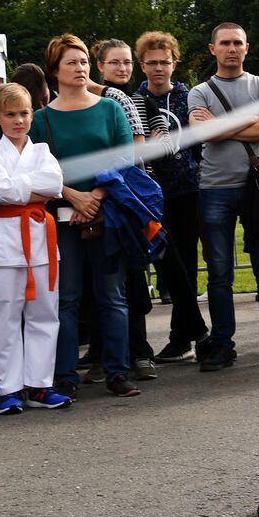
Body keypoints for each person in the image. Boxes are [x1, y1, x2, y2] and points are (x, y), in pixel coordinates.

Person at [29, 34, 138, 399]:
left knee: (112, 296)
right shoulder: (41, 119)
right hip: (62, 219)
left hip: (107, 215)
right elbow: (37, 168)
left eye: (83, 62)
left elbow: (124, 158)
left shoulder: (109, 108)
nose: (81, 68)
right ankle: (64, 375)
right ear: (55, 71)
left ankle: (118, 372)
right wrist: (72, 195)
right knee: (67, 297)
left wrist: (95, 196)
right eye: (72, 63)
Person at [188, 21, 259, 371]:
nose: (232, 49)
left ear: (247, 48)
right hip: (214, 189)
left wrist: (221, 124)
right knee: (219, 274)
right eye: (225, 43)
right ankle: (222, 344)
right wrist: (241, 124)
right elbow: (202, 132)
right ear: (212, 49)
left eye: (238, 43)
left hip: (257, 188)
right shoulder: (199, 91)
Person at [0, 83, 72, 415]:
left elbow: (54, 185)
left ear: (33, 114)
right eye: (11, 114)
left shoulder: (42, 152)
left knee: (45, 313)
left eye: (24, 113)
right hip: (8, 240)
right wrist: (33, 188)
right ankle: (9, 389)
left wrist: (19, 189)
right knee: (7, 315)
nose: (18, 121)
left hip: (42, 238)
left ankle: (40, 386)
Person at [135, 30, 211, 363]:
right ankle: (192, 330)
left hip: (187, 189)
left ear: (174, 62)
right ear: (142, 65)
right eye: (151, 63)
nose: (158, 68)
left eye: (164, 62)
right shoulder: (131, 100)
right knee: (165, 265)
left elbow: (199, 140)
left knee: (186, 263)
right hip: (150, 193)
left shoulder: (188, 97)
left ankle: (182, 337)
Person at [93, 38, 166, 382]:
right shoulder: (94, 98)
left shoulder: (121, 98)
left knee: (133, 278)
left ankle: (139, 353)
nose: (122, 68)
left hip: (128, 195)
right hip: (105, 195)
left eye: (126, 62)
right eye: (115, 62)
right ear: (101, 67)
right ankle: (108, 354)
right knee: (107, 280)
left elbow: (138, 152)